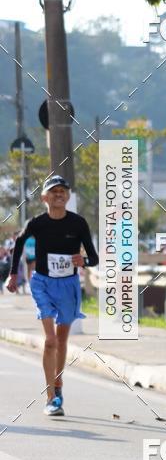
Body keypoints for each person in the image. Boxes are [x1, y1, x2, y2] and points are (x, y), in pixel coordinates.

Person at [6, 176, 99, 416]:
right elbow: (19, 243)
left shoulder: (78, 223)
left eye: (63, 191)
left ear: (68, 197)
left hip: (68, 285)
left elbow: (94, 258)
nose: (59, 194)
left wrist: (84, 261)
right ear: (44, 197)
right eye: (54, 191)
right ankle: (50, 398)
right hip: (42, 283)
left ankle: (58, 383)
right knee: (50, 341)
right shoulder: (37, 223)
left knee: (62, 339)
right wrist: (12, 276)